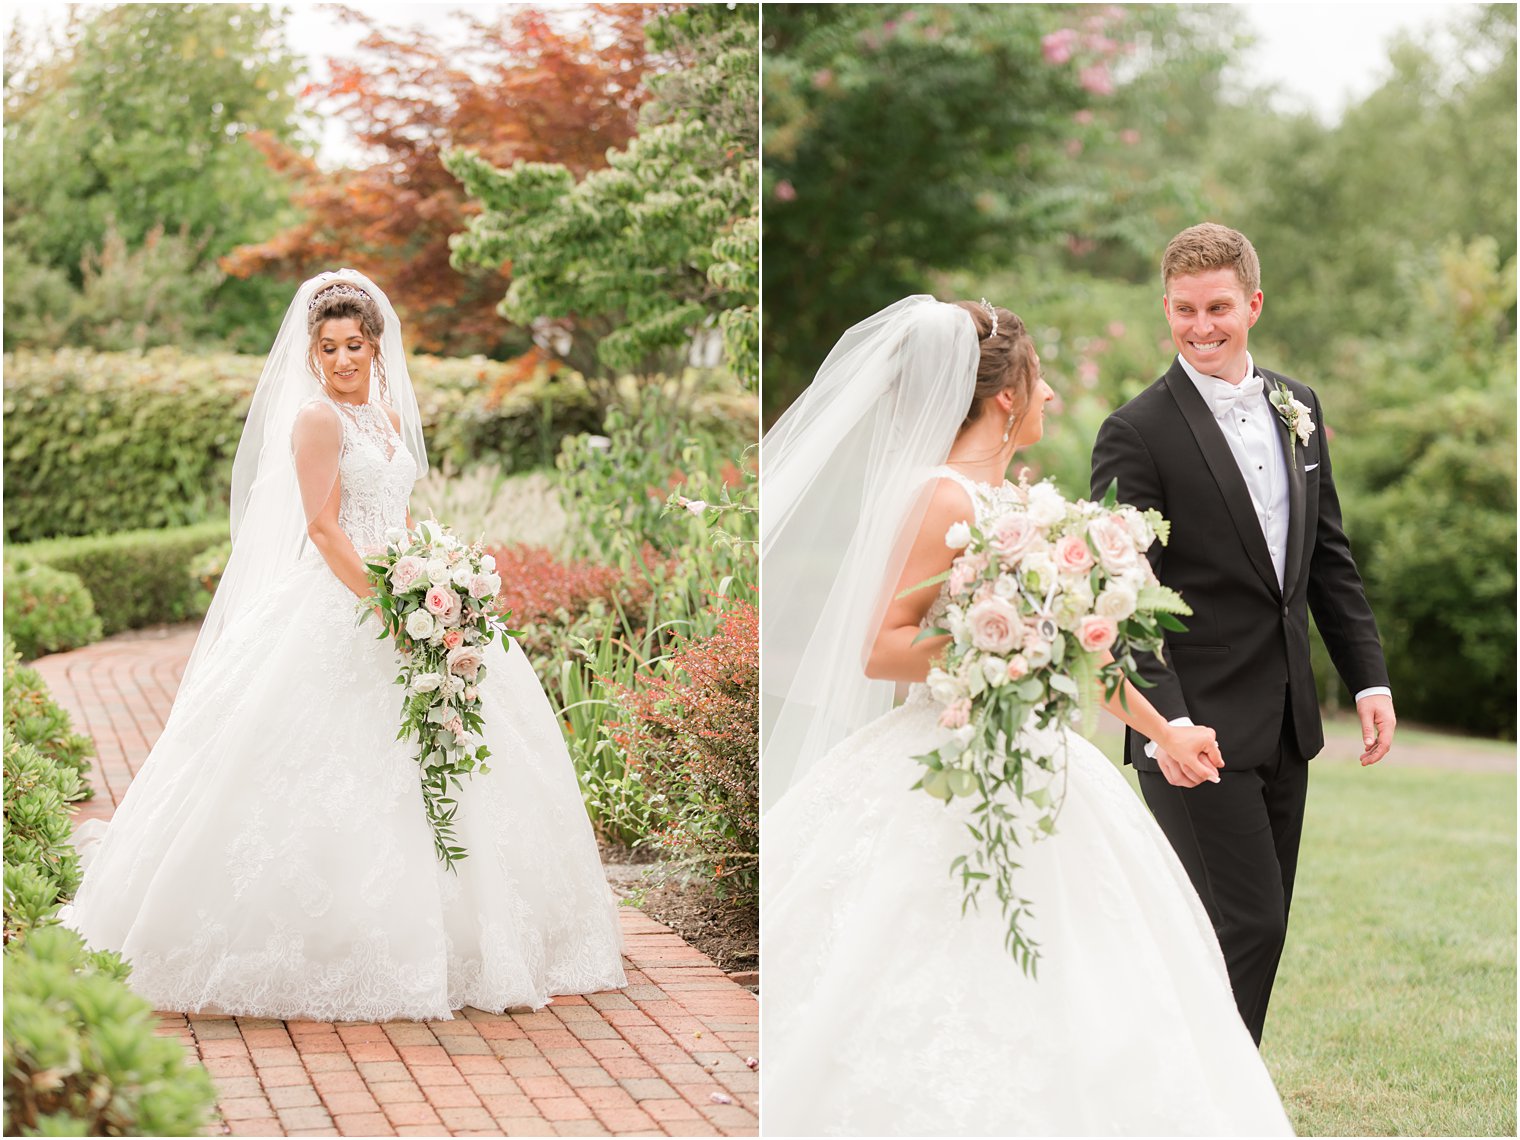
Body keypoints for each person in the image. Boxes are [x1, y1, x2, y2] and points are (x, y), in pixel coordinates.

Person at [761, 295, 1292, 1135]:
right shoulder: (939, 500)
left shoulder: (1027, 506)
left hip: (1050, 760)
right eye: (1038, 382)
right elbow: (883, 646)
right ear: (1006, 397)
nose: (1049, 398)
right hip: (955, 762)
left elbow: (1074, 647)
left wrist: (1167, 733)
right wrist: (999, 650)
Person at [60, 269, 626, 1021]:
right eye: (327, 348)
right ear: (314, 354)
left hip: (411, 591)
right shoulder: (316, 422)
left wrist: (438, 581)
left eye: (353, 345)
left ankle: (477, 934)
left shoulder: (389, 417)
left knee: (459, 758)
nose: (342, 359)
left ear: (375, 345)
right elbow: (324, 529)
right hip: (345, 602)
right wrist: (390, 608)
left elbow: (396, 510)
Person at [1091, 223, 1394, 1045]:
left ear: (1252, 304)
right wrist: (1168, 723)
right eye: (1184, 310)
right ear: (1166, 308)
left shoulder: (1299, 408)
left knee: (1260, 928)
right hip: (1192, 730)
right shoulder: (1136, 430)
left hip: (1286, 721)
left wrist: (1368, 678)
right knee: (1242, 926)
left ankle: (1211, 1103)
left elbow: (1326, 557)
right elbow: (1124, 595)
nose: (1201, 326)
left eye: (1218, 306)